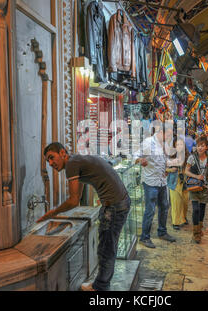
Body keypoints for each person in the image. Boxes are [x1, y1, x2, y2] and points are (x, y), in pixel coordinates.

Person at [36, 142, 130, 291]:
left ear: (62, 153)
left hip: (114, 206)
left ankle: (100, 288)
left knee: (106, 250)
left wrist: (52, 213)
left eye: (52, 157)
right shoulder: (76, 161)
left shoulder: (72, 164)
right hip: (119, 202)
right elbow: (77, 198)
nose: (51, 163)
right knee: (108, 248)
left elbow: (73, 200)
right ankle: (101, 284)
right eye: (48, 161)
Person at [135, 123, 176, 249]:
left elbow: (163, 160)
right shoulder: (148, 143)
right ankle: (144, 237)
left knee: (164, 207)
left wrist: (166, 168)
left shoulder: (164, 144)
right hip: (150, 182)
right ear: (162, 132)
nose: (169, 137)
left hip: (162, 181)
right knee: (150, 210)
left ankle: (162, 232)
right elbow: (136, 156)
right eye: (168, 135)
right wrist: (140, 160)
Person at [185, 136, 208, 243]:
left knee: (202, 209)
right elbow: (186, 171)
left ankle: (199, 228)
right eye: (198, 145)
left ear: (207, 147)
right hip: (194, 187)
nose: (200, 148)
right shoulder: (191, 158)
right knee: (196, 209)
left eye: (202, 146)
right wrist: (196, 177)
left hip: (205, 187)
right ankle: (196, 234)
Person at [167, 138, 189, 230]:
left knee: (185, 202)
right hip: (174, 182)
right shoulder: (171, 157)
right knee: (176, 203)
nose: (179, 147)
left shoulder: (188, 156)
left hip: (185, 182)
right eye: (177, 145)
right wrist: (170, 169)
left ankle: (183, 218)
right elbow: (162, 168)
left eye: (181, 144)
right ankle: (176, 221)